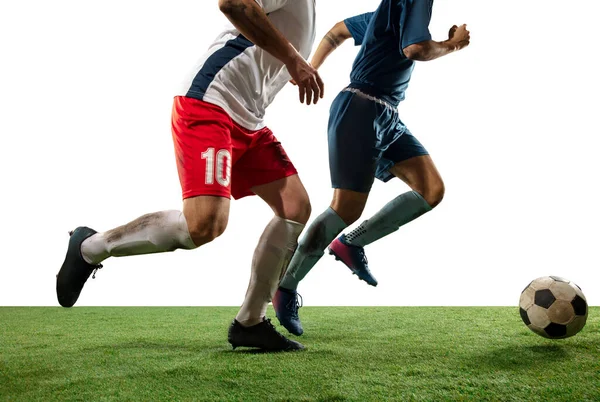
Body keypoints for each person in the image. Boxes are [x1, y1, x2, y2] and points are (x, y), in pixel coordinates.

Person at [56, 0, 324, 352]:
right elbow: (235, 4)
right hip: (211, 103)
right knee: (204, 226)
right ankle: (90, 246)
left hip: (249, 119)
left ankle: (251, 322)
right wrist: (291, 58)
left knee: (295, 207)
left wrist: (288, 61)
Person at [273, 0, 470, 336]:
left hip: (386, 115)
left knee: (431, 190)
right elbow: (416, 50)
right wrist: (453, 45)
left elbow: (338, 32)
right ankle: (285, 288)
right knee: (345, 208)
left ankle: (351, 244)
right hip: (361, 110)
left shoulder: (394, 10)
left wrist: (312, 66)